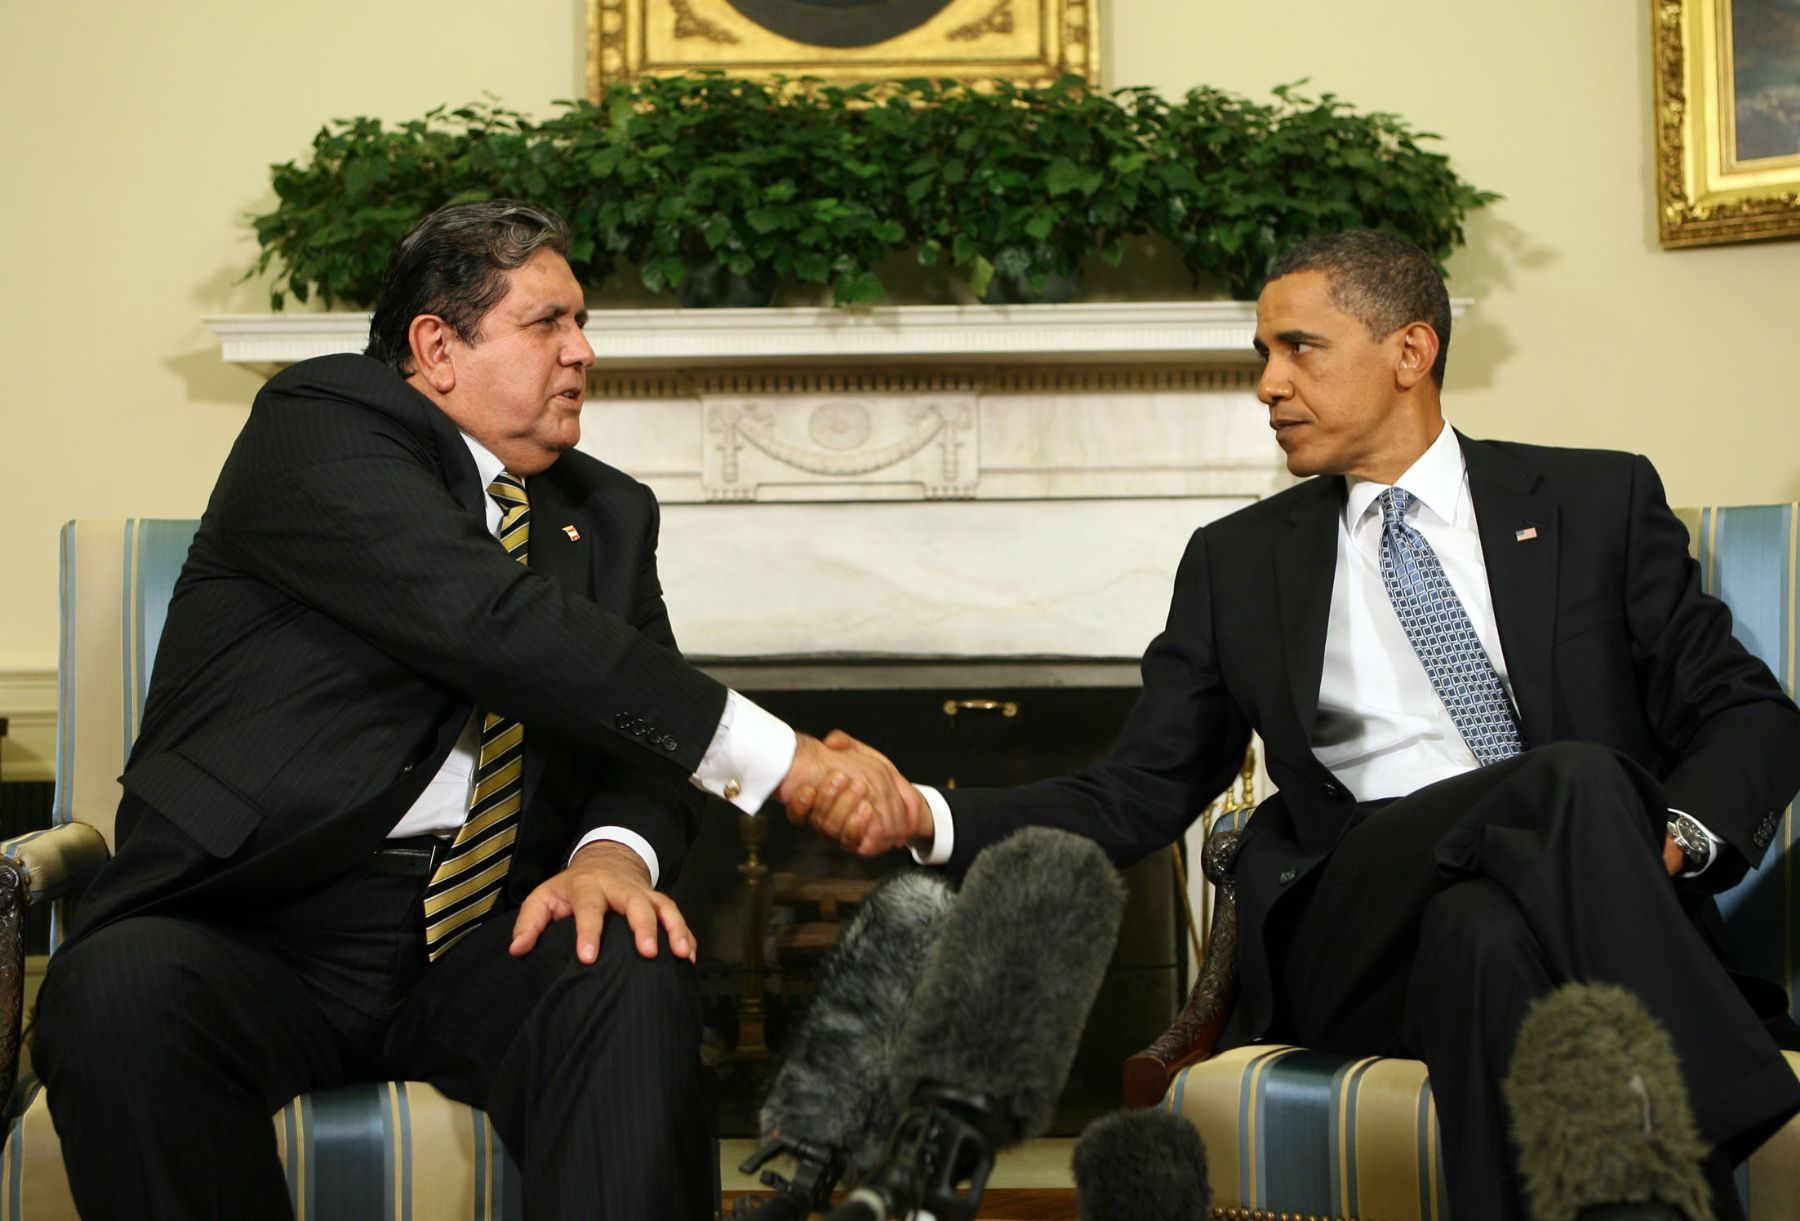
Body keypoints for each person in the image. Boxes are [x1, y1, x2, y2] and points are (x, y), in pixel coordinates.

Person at [793, 230, 1800, 1218]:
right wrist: (927, 813)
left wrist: (1676, 842)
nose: (1267, 385)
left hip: (1538, 907)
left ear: (1411, 352)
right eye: (1262, 356)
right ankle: (1728, 1093)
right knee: (1572, 779)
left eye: (1299, 348)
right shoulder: (1238, 560)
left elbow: (1750, 712)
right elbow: (1137, 788)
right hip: (1355, 919)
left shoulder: (1595, 500)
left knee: (1485, 935)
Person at [32, 200, 914, 1220]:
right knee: (117, 997)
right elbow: (491, 620)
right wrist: (787, 761)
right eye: (548, 324)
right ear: (435, 347)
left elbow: (639, 740)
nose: (583, 351)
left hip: (482, 938)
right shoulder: (319, 425)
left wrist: (611, 857)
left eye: (583, 323)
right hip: (248, 924)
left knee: (624, 955)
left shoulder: (606, 516)